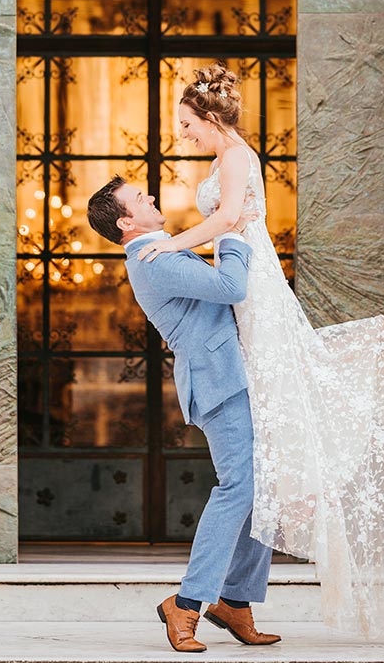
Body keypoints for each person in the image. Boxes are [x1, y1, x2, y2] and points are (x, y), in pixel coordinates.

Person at [136, 62, 384, 639]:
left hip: (252, 283)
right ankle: (227, 600)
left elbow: (230, 218)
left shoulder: (237, 158)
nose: (182, 134)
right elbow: (224, 233)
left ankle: (214, 601)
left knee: (265, 459)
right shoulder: (218, 162)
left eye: (187, 123)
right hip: (236, 290)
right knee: (262, 466)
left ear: (211, 118)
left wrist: (172, 246)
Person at [87, 178, 281, 653]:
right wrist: (231, 230)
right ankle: (187, 603)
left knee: (263, 488)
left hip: (239, 376)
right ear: (126, 222)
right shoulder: (152, 260)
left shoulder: (166, 251)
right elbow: (231, 285)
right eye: (139, 198)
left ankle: (234, 601)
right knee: (240, 487)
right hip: (220, 381)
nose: (151, 197)